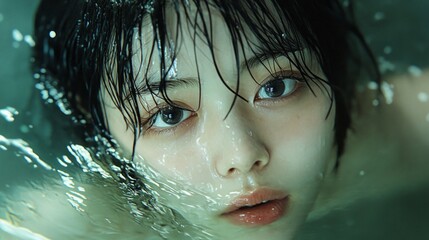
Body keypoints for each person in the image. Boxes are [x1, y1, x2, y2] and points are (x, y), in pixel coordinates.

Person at [5, 0, 379, 239]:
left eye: (276, 86)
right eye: (169, 114)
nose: (242, 156)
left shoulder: (394, 139)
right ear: (95, 118)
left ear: (329, 67)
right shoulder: (53, 228)